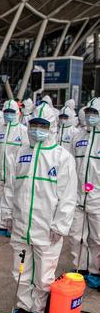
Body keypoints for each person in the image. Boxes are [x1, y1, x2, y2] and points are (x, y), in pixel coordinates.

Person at [2, 103, 77, 313]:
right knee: (21, 268)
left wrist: (60, 225)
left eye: (42, 126)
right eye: (33, 125)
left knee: (44, 271)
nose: (36, 130)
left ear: (51, 127)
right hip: (22, 224)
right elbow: (11, 187)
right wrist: (8, 214)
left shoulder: (61, 157)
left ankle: (38, 309)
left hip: (47, 226)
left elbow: (68, 195)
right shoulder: (22, 153)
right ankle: (23, 306)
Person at [70, 99, 100, 287]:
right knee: (76, 235)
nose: (90, 116)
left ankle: (96, 271)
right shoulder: (78, 136)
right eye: (88, 112)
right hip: (79, 195)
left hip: (98, 197)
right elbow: (71, 166)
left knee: (97, 237)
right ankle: (80, 268)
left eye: (95, 113)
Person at [0, 100, 28, 234]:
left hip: (14, 171)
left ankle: (11, 223)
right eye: (6, 112)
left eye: (11, 112)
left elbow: (26, 152)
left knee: (12, 195)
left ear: (17, 113)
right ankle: (1, 223)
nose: (8, 115)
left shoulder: (23, 131)